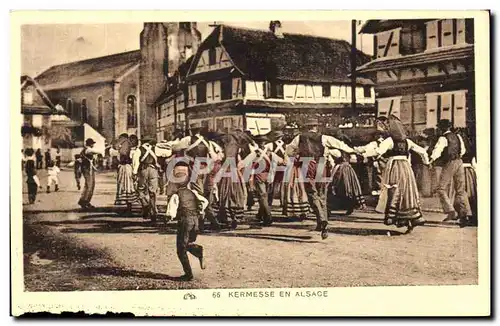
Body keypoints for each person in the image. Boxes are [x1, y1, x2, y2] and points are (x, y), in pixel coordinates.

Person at [286, 118, 356, 239]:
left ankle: (322, 220)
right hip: (321, 164)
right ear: (316, 127)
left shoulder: (299, 138)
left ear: (307, 127)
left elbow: (289, 151)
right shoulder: (324, 137)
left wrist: (297, 153)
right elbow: (340, 145)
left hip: (307, 164)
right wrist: (354, 150)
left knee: (312, 193)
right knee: (322, 193)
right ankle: (323, 222)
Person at [361, 115, 429, 233]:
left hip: (395, 166)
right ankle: (411, 216)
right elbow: (422, 151)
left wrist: (363, 153)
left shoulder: (389, 141)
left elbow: (378, 151)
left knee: (393, 190)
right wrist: (427, 162)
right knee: (407, 190)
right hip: (406, 168)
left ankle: (393, 216)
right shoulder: (407, 141)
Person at [165, 162, 208, 281]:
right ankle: (198, 250)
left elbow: (171, 212)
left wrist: (169, 218)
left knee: (180, 249)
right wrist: (199, 211)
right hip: (195, 221)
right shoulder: (193, 192)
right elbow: (204, 202)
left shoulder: (176, 195)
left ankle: (188, 274)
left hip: (185, 221)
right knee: (187, 243)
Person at [428, 119, 469, 226]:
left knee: (441, 188)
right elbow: (463, 150)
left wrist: (431, 160)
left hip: (450, 162)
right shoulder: (458, 136)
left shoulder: (443, 138)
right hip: (459, 161)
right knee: (460, 189)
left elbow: (437, 151)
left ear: (442, 128)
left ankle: (451, 212)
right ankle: (464, 213)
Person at [327, 130, 366, 216]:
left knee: (337, 187)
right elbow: (354, 160)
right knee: (349, 187)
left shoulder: (335, 150)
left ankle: (333, 207)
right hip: (347, 168)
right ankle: (349, 206)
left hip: (340, 168)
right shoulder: (348, 150)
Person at [240, 133, 276, 226]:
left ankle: (268, 217)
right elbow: (280, 162)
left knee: (262, 196)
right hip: (269, 175)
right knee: (264, 196)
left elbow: (244, 163)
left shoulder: (255, 153)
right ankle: (260, 215)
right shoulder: (270, 153)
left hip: (259, 175)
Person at [133, 137, 160, 222]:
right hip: (153, 170)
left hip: (143, 170)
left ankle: (145, 205)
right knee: (153, 191)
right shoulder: (155, 149)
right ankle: (153, 212)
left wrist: (134, 173)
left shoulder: (139, 150)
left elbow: (136, 162)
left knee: (140, 189)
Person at [114, 133, 138, 212]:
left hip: (125, 167)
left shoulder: (124, 144)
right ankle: (128, 205)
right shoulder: (127, 144)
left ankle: (128, 205)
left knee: (126, 185)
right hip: (126, 167)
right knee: (128, 185)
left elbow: (122, 154)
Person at [265, 130, 287, 207]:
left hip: (273, 167)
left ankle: (269, 202)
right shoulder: (286, 145)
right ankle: (283, 203)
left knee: (271, 184)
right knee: (282, 185)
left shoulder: (270, 145)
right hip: (283, 167)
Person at [78, 138, 100, 209]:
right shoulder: (88, 149)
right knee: (89, 185)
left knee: (90, 185)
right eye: (92, 143)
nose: (93, 144)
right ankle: (85, 202)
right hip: (87, 168)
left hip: (87, 168)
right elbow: (96, 151)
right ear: (90, 144)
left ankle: (85, 201)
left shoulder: (85, 149)